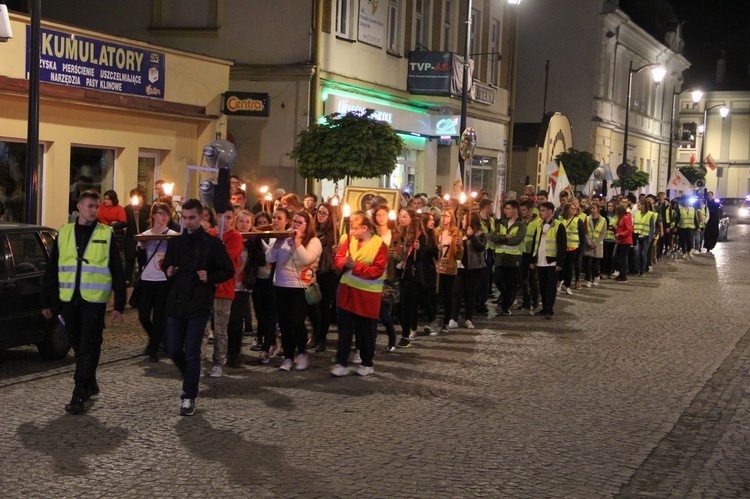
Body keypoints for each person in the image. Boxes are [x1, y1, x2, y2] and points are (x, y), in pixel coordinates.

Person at [41, 190, 126, 414]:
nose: (93, 210)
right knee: (78, 344)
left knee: (89, 343)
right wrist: (47, 301)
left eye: (96, 207)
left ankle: (79, 392)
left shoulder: (106, 233)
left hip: (94, 300)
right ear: (79, 207)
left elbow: (117, 270)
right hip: (70, 298)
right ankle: (90, 379)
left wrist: (119, 304)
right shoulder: (65, 232)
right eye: (89, 206)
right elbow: (52, 268)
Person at [162, 199, 235, 416]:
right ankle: (190, 375)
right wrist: (169, 270)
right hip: (176, 302)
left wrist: (209, 277)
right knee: (173, 349)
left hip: (199, 303)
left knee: (193, 352)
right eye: (184, 218)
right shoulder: (175, 242)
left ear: (201, 217)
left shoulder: (211, 244)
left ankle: (189, 395)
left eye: (192, 218)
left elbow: (228, 270)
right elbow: (166, 264)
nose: (188, 222)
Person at [331, 211, 387, 376]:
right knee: (345, 330)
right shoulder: (349, 240)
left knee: (366, 332)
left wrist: (355, 266)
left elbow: (377, 270)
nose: (352, 231)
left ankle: (367, 363)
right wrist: (344, 263)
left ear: (365, 227)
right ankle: (341, 362)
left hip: (367, 296)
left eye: (355, 228)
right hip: (347, 293)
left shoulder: (379, 245)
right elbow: (339, 258)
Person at [266, 209, 322, 371]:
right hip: (281, 285)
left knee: (296, 322)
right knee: (284, 323)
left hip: (300, 287)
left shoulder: (313, 241)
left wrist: (297, 242)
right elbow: (269, 258)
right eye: (294, 222)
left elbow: (306, 259)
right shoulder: (283, 238)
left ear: (307, 225)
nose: (295, 225)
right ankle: (288, 357)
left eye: (299, 223)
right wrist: (277, 243)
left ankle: (302, 353)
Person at [135, 202, 179, 362]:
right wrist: (141, 246)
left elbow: (176, 257)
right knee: (143, 315)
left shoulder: (173, 235)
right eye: (161, 213)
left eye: (167, 214)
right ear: (153, 215)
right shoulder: (145, 234)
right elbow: (140, 259)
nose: (164, 217)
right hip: (147, 279)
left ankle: (153, 348)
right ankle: (157, 339)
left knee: (160, 316)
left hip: (163, 280)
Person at [205, 210, 244, 377]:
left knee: (220, 328)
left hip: (224, 287)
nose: (225, 221)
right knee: (203, 327)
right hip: (206, 287)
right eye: (222, 216)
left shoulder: (235, 237)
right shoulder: (210, 234)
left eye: (228, 217)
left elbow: (225, 259)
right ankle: (199, 359)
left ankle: (219, 362)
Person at [308, 202, 339, 352]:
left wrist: (335, 251)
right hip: (313, 271)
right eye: (319, 212)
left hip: (327, 271)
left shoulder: (334, 233)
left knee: (324, 306)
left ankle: (322, 338)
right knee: (312, 304)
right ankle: (315, 332)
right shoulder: (312, 230)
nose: (320, 215)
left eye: (324, 213)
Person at [226, 210, 255, 366]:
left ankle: (234, 353)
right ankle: (227, 350)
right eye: (241, 221)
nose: (244, 224)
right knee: (227, 320)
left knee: (236, 320)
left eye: (247, 222)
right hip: (229, 284)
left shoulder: (254, 242)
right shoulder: (231, 238)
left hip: (243, 285)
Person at [448, 211, 486, 329]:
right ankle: (453, 317)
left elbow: (480, 248)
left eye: (464, 220)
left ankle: (468, 318)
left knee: (470, 294)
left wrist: (472, 236)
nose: (462, 221)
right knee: (456, 293)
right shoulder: (460, 233)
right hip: (460, 268)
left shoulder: (480, 233)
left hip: (474, 268)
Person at [252, 211, 280, 363]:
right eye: (260, 223)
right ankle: (266, 339)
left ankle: (267, 346)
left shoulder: (275, 238)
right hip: (258, 279)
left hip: (272, 280)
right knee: (260, 313)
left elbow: (269, 255)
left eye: (265, 222)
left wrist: (260, 239)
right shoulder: (256, 240)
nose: (263, 225)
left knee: (270, 314)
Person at [373, 205, 403, 351]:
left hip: (387, 275)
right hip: (373, 275)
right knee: (373, 311)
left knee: (384, 312)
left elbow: (400, 256)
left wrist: (395, 256)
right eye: (378, 215)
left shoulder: (394, 235)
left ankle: (391, 335)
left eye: (383, 215)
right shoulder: (372, 233)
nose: (380, 217)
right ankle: (369, 340)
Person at [530, 202, 566, 319]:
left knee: (551, 287)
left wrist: (559, 263)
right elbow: (535, 243)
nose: (541, 213)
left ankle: (549, 309)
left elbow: (561, 246)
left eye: (543, 210)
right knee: (543, 286)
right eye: (541, 210)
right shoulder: (539, 225)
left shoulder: (558, 225)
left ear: (550, 211)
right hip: (540, 260)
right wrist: (532, 259)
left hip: (552, 261)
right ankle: (544, 307)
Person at [397, 208, 426, 348]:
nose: (401, 219)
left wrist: (418, 249)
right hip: (401, 273)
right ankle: (408, 329)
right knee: (402, 306)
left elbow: (420, 258)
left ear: (411, 219)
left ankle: (405, 336)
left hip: (412, 275)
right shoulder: (400, 234)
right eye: (400, 216)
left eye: (404, 216)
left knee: (407, 305)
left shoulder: (419, 235)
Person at [492, 200, 527, 315]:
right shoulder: (501, 223)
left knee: (511, 282)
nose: (505, 211)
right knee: (497, 279)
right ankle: (507, 296)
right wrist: (506, 236)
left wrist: (501, 238)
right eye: (505, 209)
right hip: (500, 257)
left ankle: (506, 305)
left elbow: (517, 240)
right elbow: (494, 237)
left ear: (515, 210)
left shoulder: (521, 224)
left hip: (513, 258)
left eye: (508, 208)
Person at [435, 209, 463, 332]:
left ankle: (447, 321)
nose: (444, 218)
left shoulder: (456, 233)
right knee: (436, 294)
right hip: (438, 267)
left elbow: (459, 255)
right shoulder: (437, 232)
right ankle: (434, 319)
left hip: (449, 267)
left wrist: (458, 246)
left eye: (447, 216)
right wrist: (437, 248)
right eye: (442, 215)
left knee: (448, 295)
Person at [124, 188, 151, 284]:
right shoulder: (127, 209)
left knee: (142, 258)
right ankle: (127, 279)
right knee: (130, 258)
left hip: (143, 237)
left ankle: (141, 277)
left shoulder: (148, 208)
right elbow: (125, 222)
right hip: (131, 236)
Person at [518, 200, 541, 310]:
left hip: (532, 254)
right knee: (523, 279)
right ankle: (526, 301)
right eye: (521, 210)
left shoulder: (538, 222)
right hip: (522, 253)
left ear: (530, 210)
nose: (522, 212)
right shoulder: (520, 221)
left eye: (524, 210)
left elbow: (538, 240)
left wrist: (534, 258)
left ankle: (535, 300)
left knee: (532, 279)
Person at [583, 202, 607, 286]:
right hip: (588, 244)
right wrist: (589, 242)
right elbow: (585, 231)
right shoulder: (587, 218)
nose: (592, 210)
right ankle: (588, 279)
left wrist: (595, 243)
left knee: (595, 264)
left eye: (593, 208)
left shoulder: (603, 220)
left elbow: (603, 233)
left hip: (598, 245)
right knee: (588, 263)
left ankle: (596, 276)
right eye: (591, 208)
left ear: (598, 209)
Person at [632, 199, 656, 276]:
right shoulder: (637, 214)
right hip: (637, 236)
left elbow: (652, 227)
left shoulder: (650, 214)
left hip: (646, 237)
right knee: (636, 253)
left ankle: (642, 270)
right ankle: (637, 269)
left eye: (639, 205)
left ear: (643, 205)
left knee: (643, 254)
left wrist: (650, 238)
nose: (637, 207)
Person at [614, 205, 633, 282]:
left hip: (625, 241)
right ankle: (621, 273)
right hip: (621, 241)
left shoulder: (626, 218)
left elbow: (629, 230)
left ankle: (623, 275)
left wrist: (620, 234)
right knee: (618, 257)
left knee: (623, 258)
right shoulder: (622, 218)